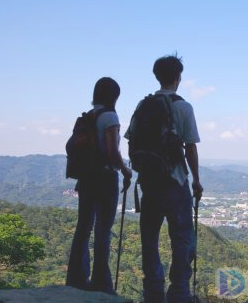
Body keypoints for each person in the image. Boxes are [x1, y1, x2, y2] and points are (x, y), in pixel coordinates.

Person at [125, 55, 203, 303]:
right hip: (175, 183)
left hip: (149, 183)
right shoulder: (183, 107)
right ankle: (179, 292)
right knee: (181, 238)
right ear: (178, 77)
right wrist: (196, 180)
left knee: (150, 238)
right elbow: (190, 147)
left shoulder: (142, 105)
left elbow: (131, 142)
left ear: (157, 76)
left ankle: (153, 293)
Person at [66, 77, 132, 295]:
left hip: (86, 178)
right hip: (105, 179)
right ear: (114, 96)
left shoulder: (89, 115)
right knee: (103, 230)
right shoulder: (110, 116)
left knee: (83, 227)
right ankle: (101, 283)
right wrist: (125, 170)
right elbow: (113, 152)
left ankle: (76, 279)